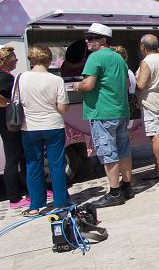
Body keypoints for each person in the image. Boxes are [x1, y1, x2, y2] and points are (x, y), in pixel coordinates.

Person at [74, 23, 133, 208]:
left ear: (103, 40)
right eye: (87, 37)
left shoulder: (95, 57)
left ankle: (114, 193)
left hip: (102, 111)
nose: (87, 41)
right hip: (121, 110)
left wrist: (77, 86)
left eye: (91, 38)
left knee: (108, 152)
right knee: (123, 149)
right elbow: (124, 84)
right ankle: (127, 187)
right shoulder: (119, 58)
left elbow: (89, 84)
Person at [18, 46, 70, 216]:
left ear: (31, 60)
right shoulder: (56, 80)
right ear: (49, 59)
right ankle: (61, 202)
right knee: (57, 165)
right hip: (53, 125)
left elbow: (17, 102)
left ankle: (35, 205)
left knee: (33, 165)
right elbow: (63, 108)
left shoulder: (21, 78)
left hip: (30, 127)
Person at [136, 34, 159, 178]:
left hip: (151, 102)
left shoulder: (146, 62)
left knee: (155, 136)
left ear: (143, 46)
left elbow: (140, 85)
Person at [0, 46, 29, 209]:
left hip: (7, 122)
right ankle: (15, 198)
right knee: (13, 157)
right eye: (13, 57)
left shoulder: (6, 76)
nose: (16, 59)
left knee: (21, 155)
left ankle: (28, 191)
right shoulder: (3, 77)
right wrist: (8, 104)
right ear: (5, 60)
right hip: (9, 122)